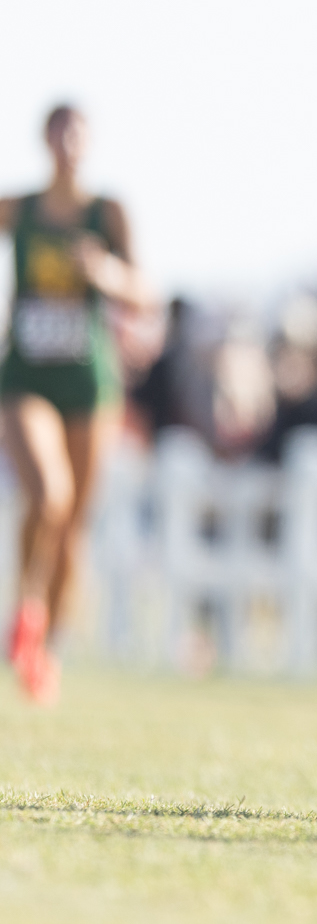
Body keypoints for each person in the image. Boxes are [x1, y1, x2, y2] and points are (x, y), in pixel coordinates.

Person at [2, 104, 152, 703]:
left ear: (87, 143)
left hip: (89, 383)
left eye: (77, 133)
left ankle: (48, 648)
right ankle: (27, 610)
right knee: (49, 493)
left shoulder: (106, 213)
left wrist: (105, 273)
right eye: (59, 131)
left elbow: (144, 292)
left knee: (74, 528)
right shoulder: (19, 209)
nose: (68, 143)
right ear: (45, 139)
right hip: (26, 377)